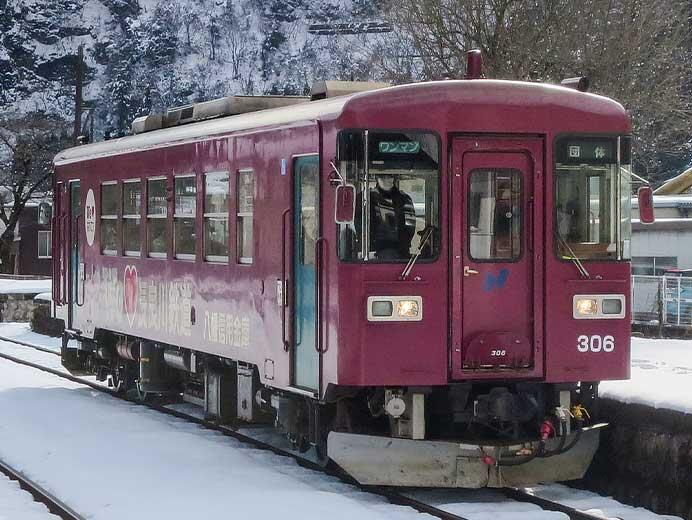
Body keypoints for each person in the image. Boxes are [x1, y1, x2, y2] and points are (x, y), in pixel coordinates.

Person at [369, 174, 416, 259]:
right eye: (382, 176)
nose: (386, 179)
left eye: (389, 176)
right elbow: (360, 226)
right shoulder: (366, 198)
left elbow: (410, 226)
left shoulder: (405, 199)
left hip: (401, 253)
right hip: (373, 253)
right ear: (376, 178)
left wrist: (402, 247)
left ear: (394, 178)